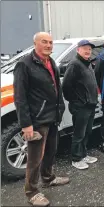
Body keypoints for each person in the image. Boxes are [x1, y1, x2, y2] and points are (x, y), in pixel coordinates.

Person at [13, 32, 69, 206]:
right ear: (35, 43)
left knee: (51, 150)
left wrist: (60, 109)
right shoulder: (24, 64)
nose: (49, 45)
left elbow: (56, 88)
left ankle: (48, 177)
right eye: (44, 42)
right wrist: (26, 125)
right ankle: (32, 191)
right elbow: (20, 97)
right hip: (37, 120)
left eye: (51, 42)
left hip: (52, 116)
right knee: (35, 158)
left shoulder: (51, 62)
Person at [62, 40, 98, 170]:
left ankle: (83, 154)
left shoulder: (87, 63)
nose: (88, 51)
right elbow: (66, 86)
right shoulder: (74, 64)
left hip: (90, 105)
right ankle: (76, 159)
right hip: (81, 106)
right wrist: (77, 101)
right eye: (84, 48)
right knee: (79, 133)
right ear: (78, 50)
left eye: (89, 49)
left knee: (87, 131)